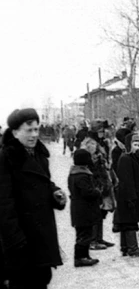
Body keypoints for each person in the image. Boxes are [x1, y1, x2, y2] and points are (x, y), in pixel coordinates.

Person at [0, 108, 67, 288]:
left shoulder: (39, 155)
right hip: (21, 238)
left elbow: (44, 183)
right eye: (29, 130)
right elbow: (4, 203)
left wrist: (55, 193)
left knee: (42, 278)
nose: (34, 134)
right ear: (15, 132)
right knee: (23, 282)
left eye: (36, 129)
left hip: (40, 235)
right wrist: (15, 241)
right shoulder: (6, 158)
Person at [113, 134, 139, 257]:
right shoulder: (125, 158)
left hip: (133, 194)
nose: (137, 148)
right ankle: (132, 247)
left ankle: (126, 247)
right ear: (129, 145)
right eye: (135, 145)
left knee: (127, 221)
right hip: (128, 195)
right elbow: (126, 180)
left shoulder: (133, 157)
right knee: (129, 222)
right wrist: (131, 197)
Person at [68, 149, 102, 267]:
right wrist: (97, 192)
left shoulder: (75, 173)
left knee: (84, 233)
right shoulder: (81, 175)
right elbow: (87, 192)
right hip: (83, 209)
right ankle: (80, 257)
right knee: (84, 234)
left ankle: (85, 255)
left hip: (79, 208)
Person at [81, 137, 115, 250]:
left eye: (94, 144)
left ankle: (99, 238)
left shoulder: (100, 157)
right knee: (94, 215)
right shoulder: (85, 159)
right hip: (94, 188)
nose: (93, 147)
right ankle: (92, 241)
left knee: (100, 214)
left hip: (102, 187)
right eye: (90, 145)